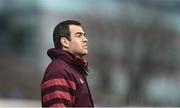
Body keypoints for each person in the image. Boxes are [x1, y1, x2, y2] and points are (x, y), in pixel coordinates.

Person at [41, 20, 94, 107]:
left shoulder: (74, 69)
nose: (85, 39)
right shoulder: (58, 71)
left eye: (84, 35)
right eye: (79, 35)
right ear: (65, 42)